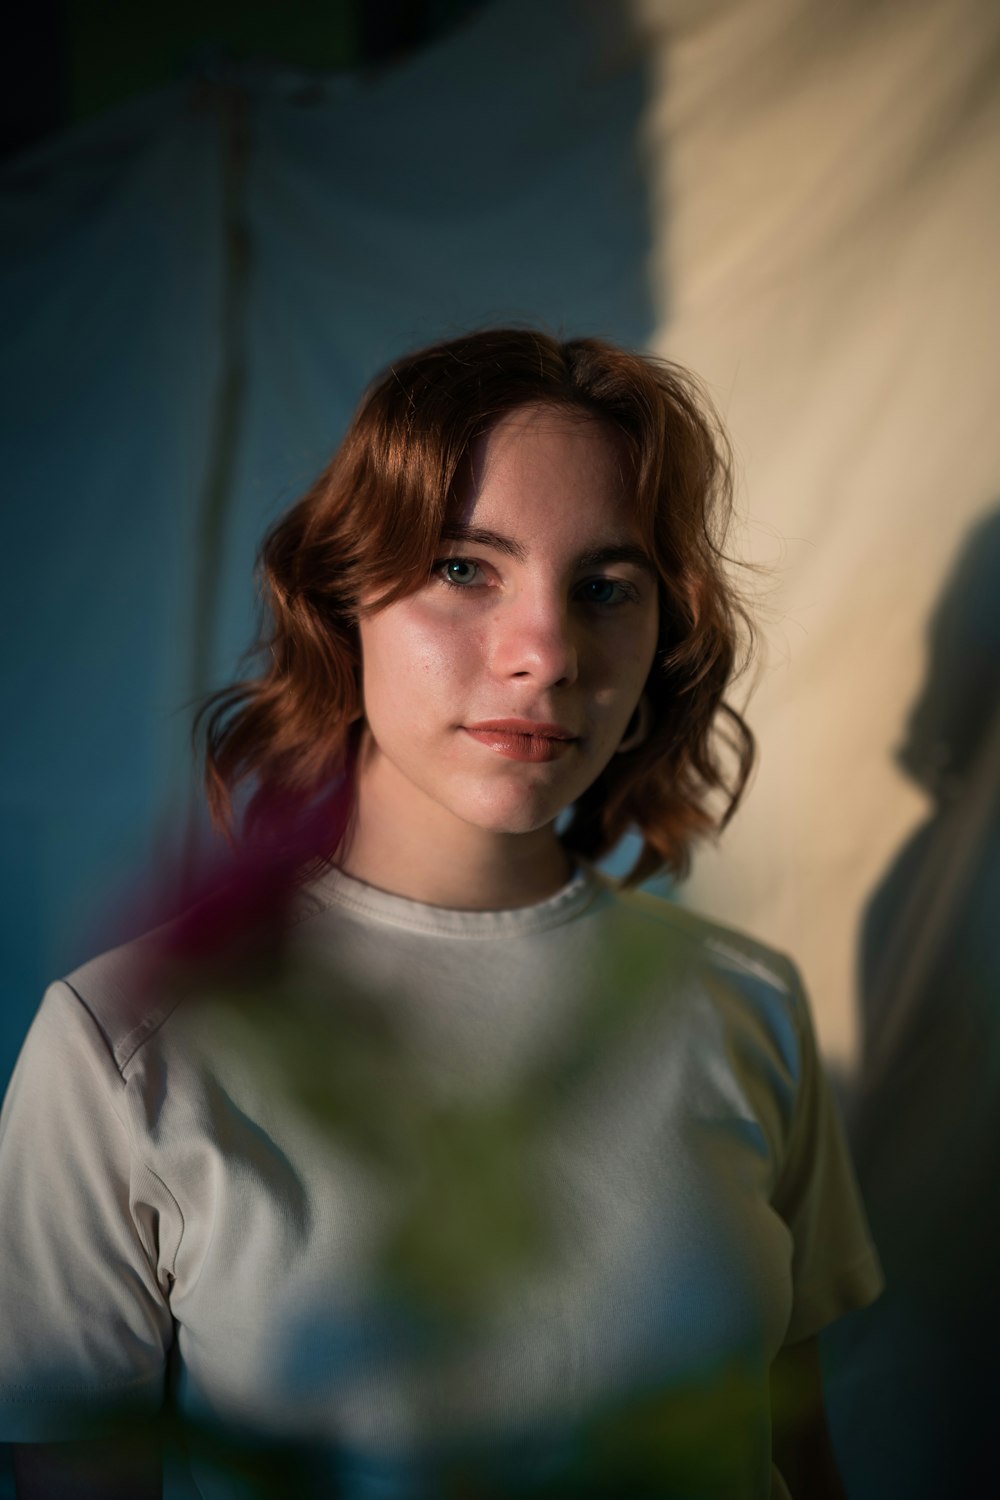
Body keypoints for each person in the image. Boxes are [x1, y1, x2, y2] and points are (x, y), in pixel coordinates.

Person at [0, 329, 882, 1498]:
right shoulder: (127, 1042)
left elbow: (794, 1454)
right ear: (341, 594)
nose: (545, 653)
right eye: (466, 567)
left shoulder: (744, 1005)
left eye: (606, 587)